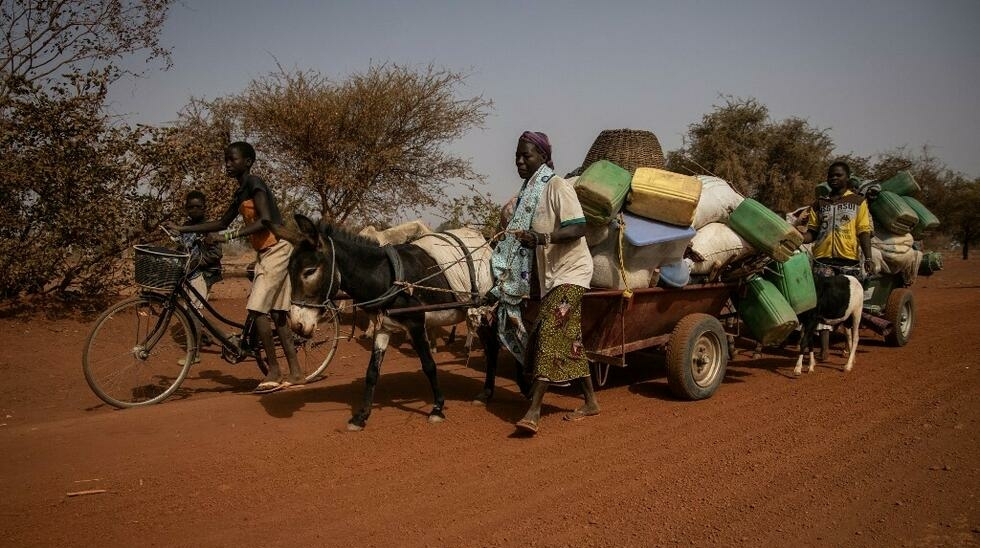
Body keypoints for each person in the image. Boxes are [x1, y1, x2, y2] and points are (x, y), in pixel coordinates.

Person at [166, 141, 304, 394]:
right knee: (277, 314)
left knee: (258, 308)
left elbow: (265, 221)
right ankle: (296, 372)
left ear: (248, 162)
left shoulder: (255, 183)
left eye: (233, 159)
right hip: (266, 252)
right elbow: (220, 222)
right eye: (226, 160)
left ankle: (274, 370)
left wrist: (227, 237)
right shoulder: (241, 191)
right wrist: (183, 229)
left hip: (278, 248)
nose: (228, 164)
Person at [489, 131, 599, 435]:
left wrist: (542, 238)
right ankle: (590, 401)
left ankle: (534, 411)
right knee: (571, 340)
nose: (521, 161)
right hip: (552, 276)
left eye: (527, 156)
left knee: (549, 333)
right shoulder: (526, 195)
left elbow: (578, 227)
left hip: (573, 272)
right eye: (518, 156)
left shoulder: (557, 186)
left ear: (543, 156)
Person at [801, 160, 875, 360]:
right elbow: (812, 233)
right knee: (820, 304)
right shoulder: (820, 204)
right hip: (822, 260)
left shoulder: (858, 202)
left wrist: (868, 258)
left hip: (848, 261)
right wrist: (798, 237)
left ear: (847, 178)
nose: (834, 178)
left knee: (845, 305)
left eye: (838, 175)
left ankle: (848, 342)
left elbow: (864, 231)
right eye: (831, 175)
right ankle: (824, 349)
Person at [179, 190, 223, 362]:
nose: (194, 210)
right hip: (188, 275)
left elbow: (216, 253)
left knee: (193, 312)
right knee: (191, 311)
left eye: (198, 207)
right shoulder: (185, 227)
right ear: (186, 208)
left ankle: (194, 353)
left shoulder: (209, 228)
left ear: (204, 208)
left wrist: (196, 262)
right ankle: (206, 337)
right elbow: (182, 248)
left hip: (203, 274)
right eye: (190, 207)